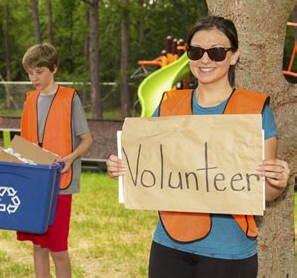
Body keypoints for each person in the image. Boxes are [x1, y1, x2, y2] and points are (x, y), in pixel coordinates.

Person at [107, 16, 290, 277]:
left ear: (234, 56)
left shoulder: (256, 110)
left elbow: (265, 192)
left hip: (229, 254)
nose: (205, 60)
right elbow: (146, 168)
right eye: (196, 52)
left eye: (216, 52)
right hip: (168, 246)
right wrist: (121, 168)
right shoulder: (169, 105)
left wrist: (277, 181)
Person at [16, 43, 93, 278]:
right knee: (38, 246)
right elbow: (24, 143)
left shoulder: (70, 99)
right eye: (30, 72)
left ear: (54, 69)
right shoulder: (30, 99)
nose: (34, 77)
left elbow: (87, 139)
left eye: (39, 71)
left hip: (60, 183)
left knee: (57, 249)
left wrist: (69, 159)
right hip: (33, 183)